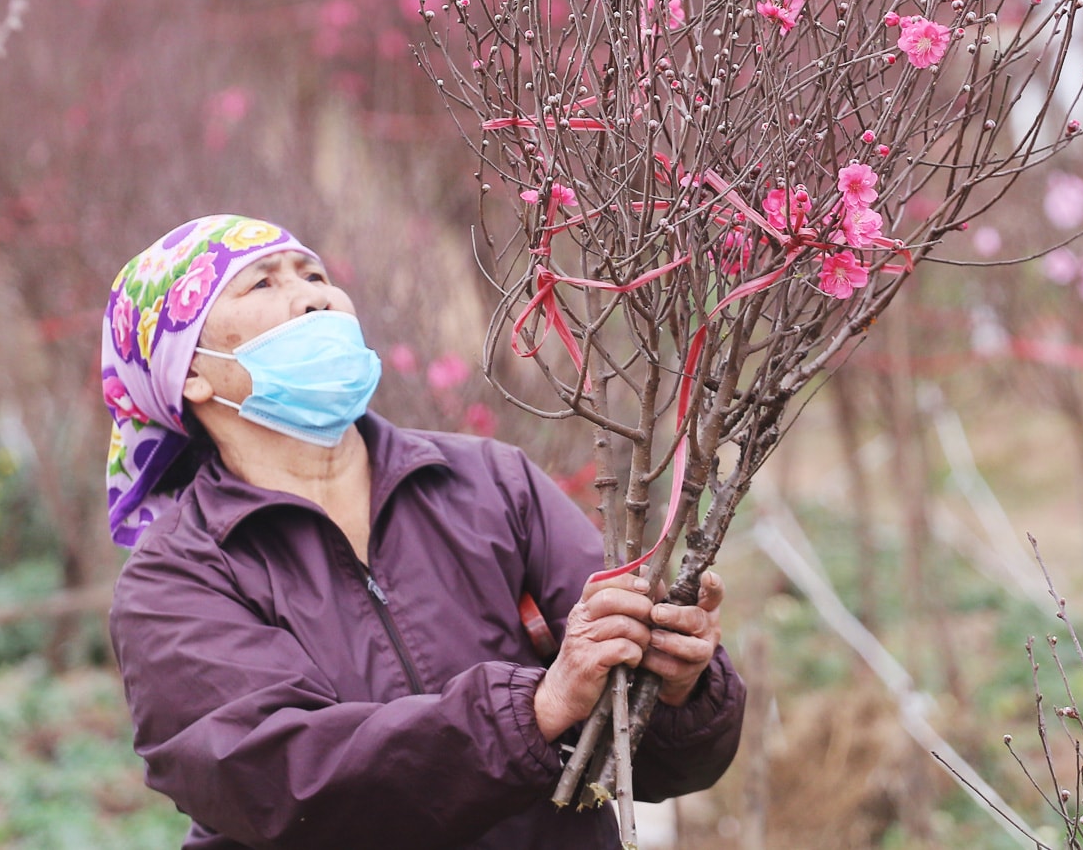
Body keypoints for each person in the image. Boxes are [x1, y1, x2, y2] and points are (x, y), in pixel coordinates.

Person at [102, 214, 744, 850]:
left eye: (314, 273)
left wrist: (677, 682)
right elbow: (279, 783)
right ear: (188, 373)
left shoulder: (489, 483)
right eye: (262, 285)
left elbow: (648, 755)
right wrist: (534, 709)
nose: (314, 295)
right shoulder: (176, 576)